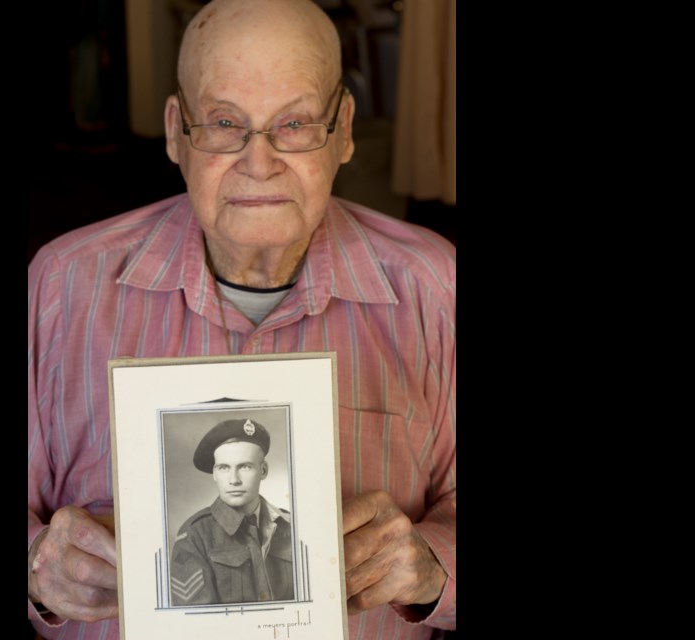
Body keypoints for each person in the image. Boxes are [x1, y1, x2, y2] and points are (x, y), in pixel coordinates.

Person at [27, 0, 456, 638]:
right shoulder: (62, 283)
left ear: (342, 130)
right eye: (226, 122)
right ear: (177, 130)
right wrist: (37, 567)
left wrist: (432, 567)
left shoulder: (434, 285)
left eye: (296, 123)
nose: (260, 162)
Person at [169, 418, 294, 605]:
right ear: (214, 473)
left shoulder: (292, 526)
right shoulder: (195, 535)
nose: (234, 480)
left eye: (245, 467)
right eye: (224, 467)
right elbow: (197, 624)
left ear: (264, 470)